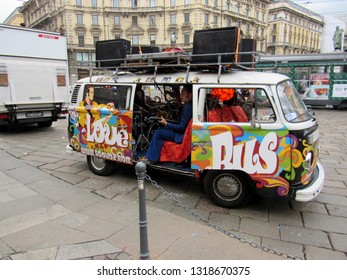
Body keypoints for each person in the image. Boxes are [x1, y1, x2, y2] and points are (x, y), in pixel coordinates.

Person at [142, 85, 193, 164]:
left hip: (180, 135)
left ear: (190, 95)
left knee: (158, 133)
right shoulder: (189, 105)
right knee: (162, 130)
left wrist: (166, 123)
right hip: (181, 133)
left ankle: (152, 159)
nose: (180, 96)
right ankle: (153, 155)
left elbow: (182, 127)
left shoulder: (187, 108)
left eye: (183, 93)